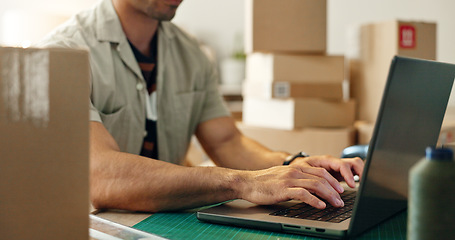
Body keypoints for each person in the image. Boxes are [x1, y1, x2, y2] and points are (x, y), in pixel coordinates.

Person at [39, 0, 364, 212]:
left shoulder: (192, 54)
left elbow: (228, 142)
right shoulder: (60, 54)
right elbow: (100, 176)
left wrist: (298, 166)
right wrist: (243, 182)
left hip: (163, 220)